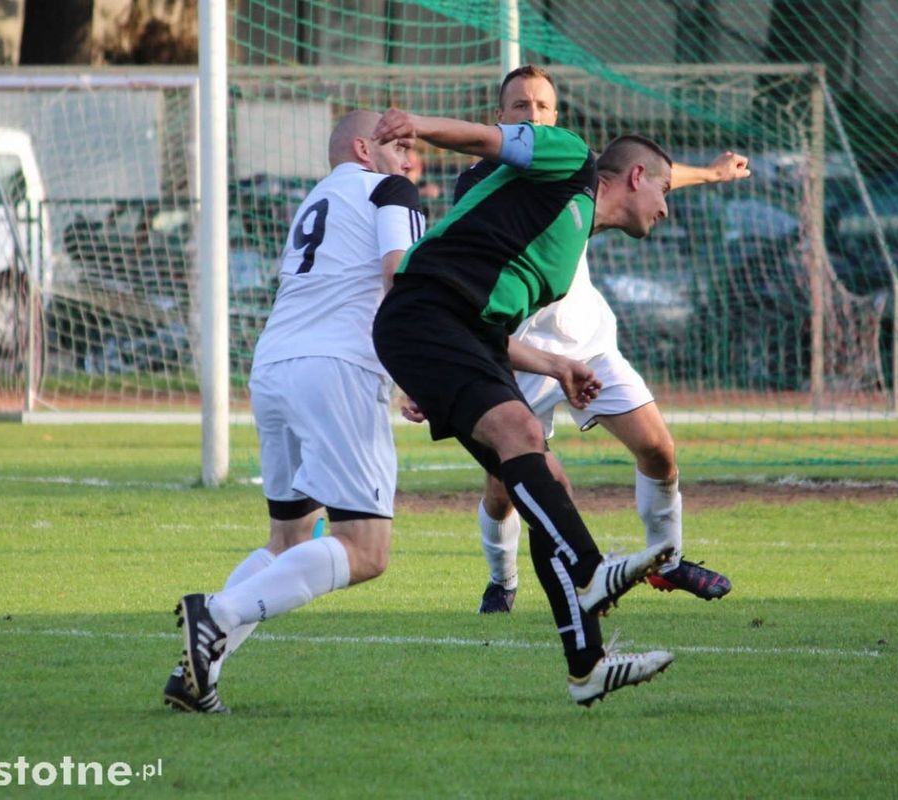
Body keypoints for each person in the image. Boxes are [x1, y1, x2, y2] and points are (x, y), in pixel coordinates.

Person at [370, 107, 680, 705]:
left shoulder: (566, 245)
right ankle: (590, 569)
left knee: (548, 479)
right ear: (636, 176)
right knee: (521, 433)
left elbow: (491, 329)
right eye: (665, 190)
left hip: (465, 333)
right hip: (426, 312)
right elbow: (487, 139)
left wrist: (556, 365)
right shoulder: (573, 160)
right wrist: (419, 126)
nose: (666, 207)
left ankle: (587, 667)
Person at [454, 64, 747, 614]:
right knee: (504, 489)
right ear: (499, 118)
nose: (533, 116)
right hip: (519, 358)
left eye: (543, 107)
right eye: (521, 106)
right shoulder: (479, 184)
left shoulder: (574, 164)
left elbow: (639, 175)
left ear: (557, 116)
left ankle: (667, 558)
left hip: (586, 345)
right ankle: (502, 580)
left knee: (658, 450)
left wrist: (710, 174)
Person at [163, 109, 427, 713]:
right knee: (366, 550)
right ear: (364, 148)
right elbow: (401, 275)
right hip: (336, 371)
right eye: (399, 145)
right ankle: (217, 614)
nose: (409, 159)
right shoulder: (390, 190)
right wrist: (416, 372)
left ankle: (194, 674)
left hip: (275, 365)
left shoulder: (315, 198)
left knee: (287, 539)